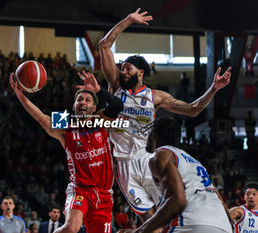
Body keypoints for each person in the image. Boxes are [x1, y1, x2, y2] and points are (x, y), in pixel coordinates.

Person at [98, 7, 232, 227]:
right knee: (148, 219)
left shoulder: (156, 97)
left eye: (127, 68)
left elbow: (193, 109)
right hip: (123, 164)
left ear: (141, 72)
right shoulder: (115, 85)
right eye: (121, 68)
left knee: (167, 212)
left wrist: (214, 89)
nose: (123, 71)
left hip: (147, 158)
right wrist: (128, 20)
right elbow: (104, 44)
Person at [10, 70, 124, 233]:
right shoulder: (66, 125)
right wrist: (21, 96)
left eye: (87, 99)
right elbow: (42, 117)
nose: (83, 102)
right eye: (79, 99)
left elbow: (118, 106)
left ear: (93, 108)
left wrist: (98, 90)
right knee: (71, 227)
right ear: (74, 106)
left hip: (104, 194)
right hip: (80, 190)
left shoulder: (100, 120)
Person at [127, 117, 232, 233]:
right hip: (223, 225)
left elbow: (177, 200)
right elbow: (218, 198)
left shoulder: (160, 155)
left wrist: (140, 231)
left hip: (191, 223)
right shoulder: (194, 162)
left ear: (154, 135)